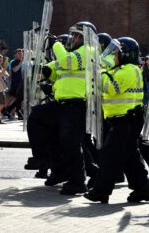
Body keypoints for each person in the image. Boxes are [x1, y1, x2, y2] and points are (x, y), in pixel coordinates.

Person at [84, 37, 149, 203]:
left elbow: (111, 88)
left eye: (116, 54)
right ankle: (144, 189)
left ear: (126, 54)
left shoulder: (129, 70)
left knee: (110, 155)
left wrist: (100, 74)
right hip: (125, 120)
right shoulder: (122, 69)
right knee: (129, 156)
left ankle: (100, 191)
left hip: (127, 120)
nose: (114, 57)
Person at [41, 21, 98, 195]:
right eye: (72, 35)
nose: (73, 38)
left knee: (72, 143)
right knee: (44, 125)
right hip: (64, 104)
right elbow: (60, 68)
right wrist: (47, 71)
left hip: (76, 104)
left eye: (76, 35)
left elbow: (65, 61)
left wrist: (55, 44)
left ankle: (77, 181)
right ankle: (58, 168)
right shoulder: (74, 53)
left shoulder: (88, 51)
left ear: (85, 38)